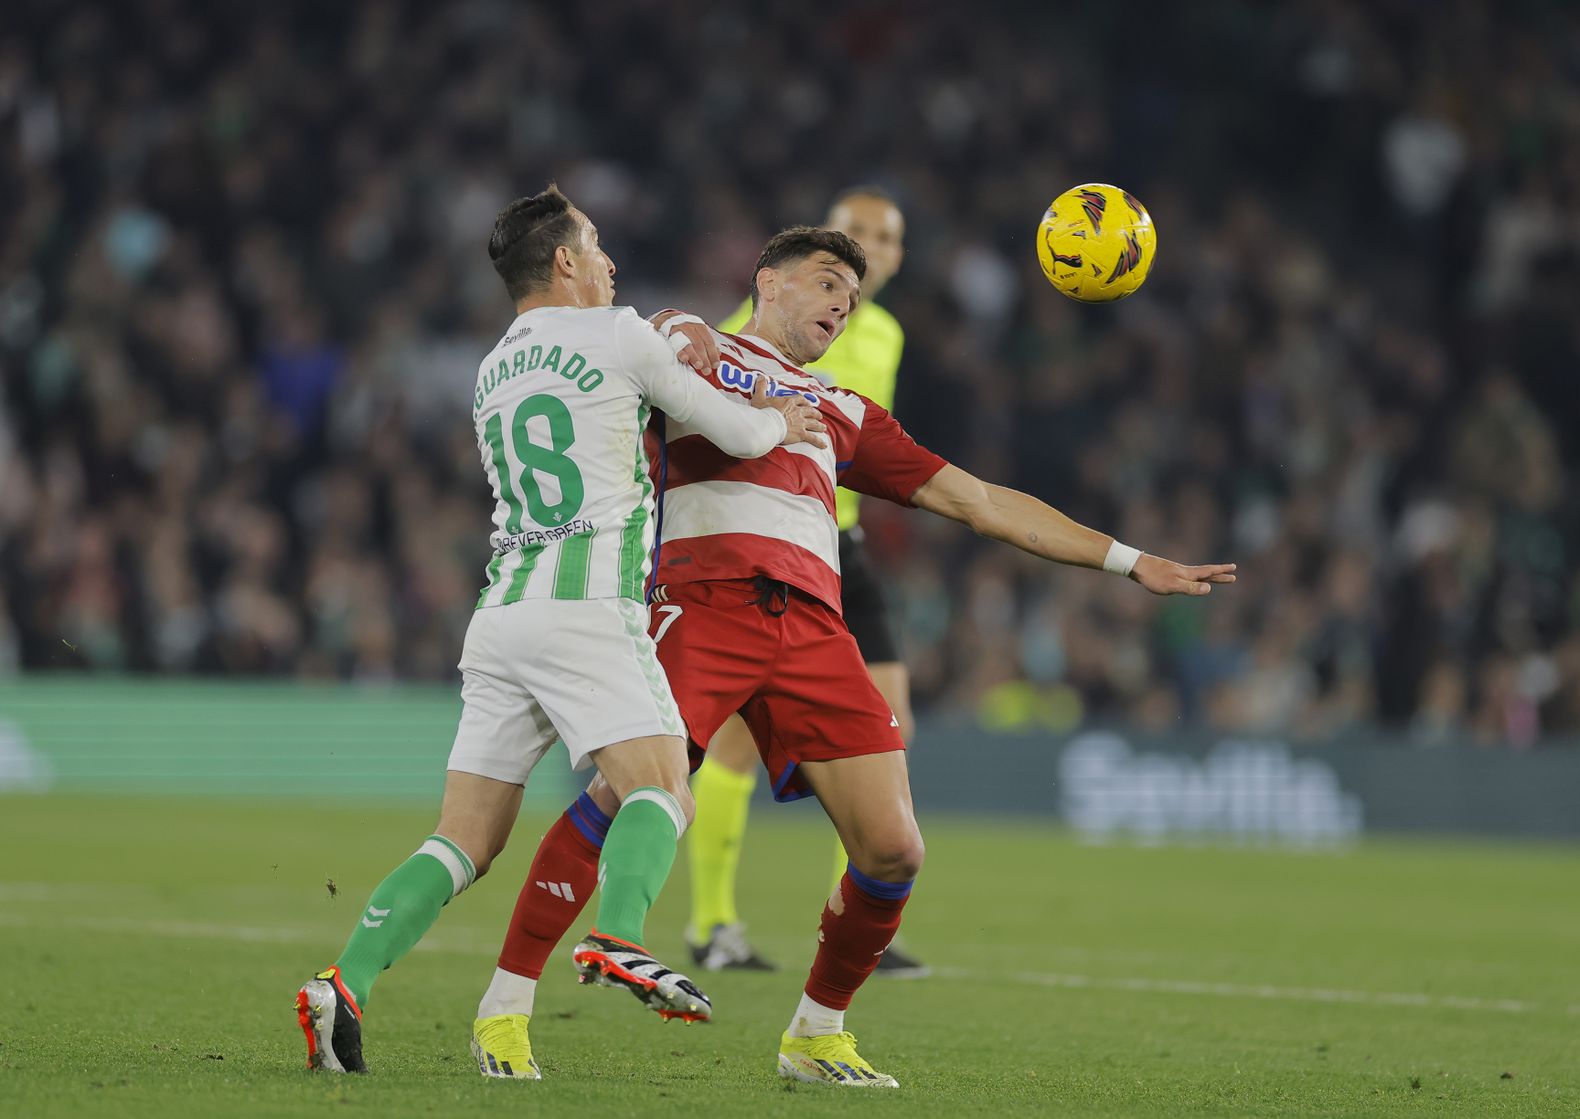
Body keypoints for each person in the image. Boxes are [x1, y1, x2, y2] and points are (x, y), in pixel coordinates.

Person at [473, 225, 1237, 1088]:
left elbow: (979, 500)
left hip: (815, 630)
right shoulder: (692, 339)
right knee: (624, 797)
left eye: (854, 295)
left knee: (893, 848)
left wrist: (1132, 560)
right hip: (704, 604)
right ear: (767, 280)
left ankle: (816, 1034)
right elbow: (615, 388)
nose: (844, 303)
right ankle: (504, 1009)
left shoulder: (843, 410)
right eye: (828, 280)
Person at [294, 185, 827, 1078]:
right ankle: (618, 933)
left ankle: (342, 981)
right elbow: (732, 428)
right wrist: (787, 419)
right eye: (599, 246)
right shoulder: (619, 330)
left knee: (463, 839)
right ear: (567, 261)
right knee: (663, 786)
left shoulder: (491, 366)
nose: (612, 263)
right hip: (588, 607)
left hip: (503, 612)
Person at [689, 186, 927, 976]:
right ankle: (712, 922)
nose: (869, 244)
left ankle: (857, 916)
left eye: (882, 238)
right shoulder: (743, 334)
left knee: (891, 726)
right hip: (761, 548)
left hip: (842, 545)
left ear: (894, 257)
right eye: (853, 232)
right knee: (732, 747)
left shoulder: (884, 332)